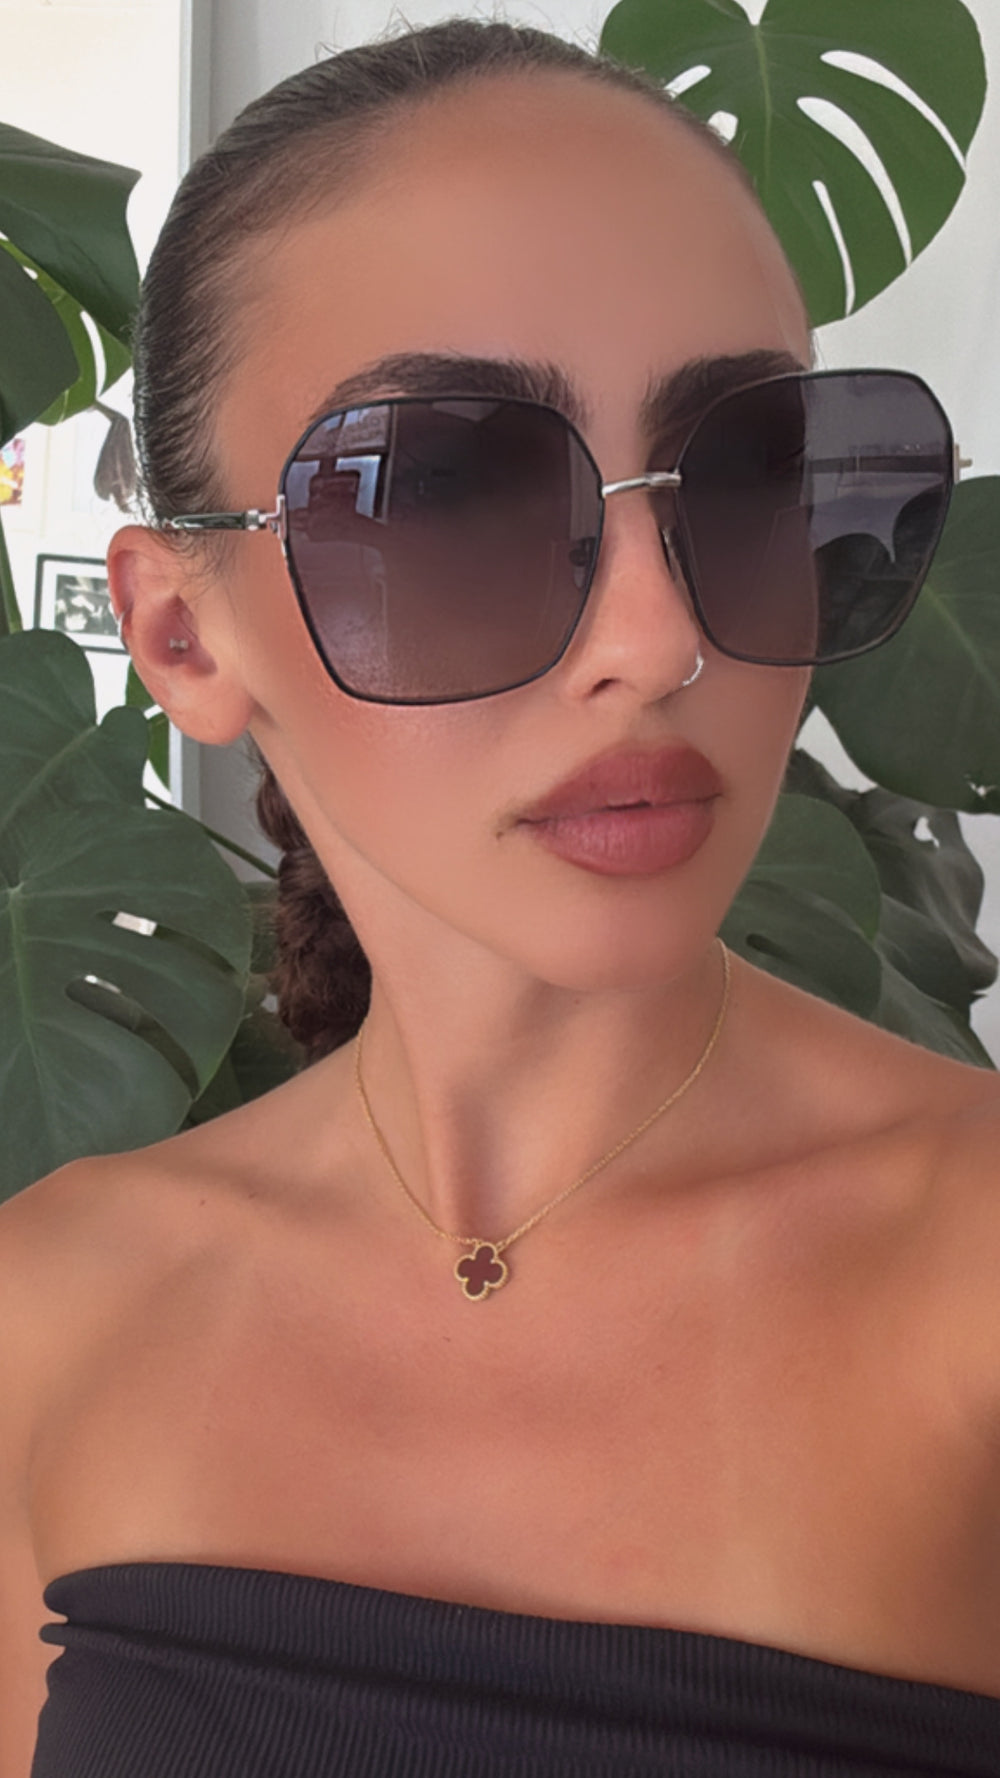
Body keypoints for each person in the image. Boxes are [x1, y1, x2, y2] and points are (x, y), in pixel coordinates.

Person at [3, 16, 1000, 1776]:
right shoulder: (54, 1308)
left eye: (753, 472)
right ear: (182, 633)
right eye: (441, 492)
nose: (658, 639)